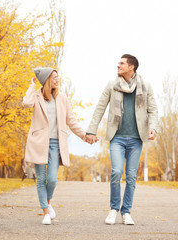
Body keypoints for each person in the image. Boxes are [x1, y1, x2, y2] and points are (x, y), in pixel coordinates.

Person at [85, 54, 158, 225]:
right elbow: (100, 108)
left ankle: (126, 212)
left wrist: (153, 127)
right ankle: (113, 209)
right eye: (119, 63)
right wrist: (91, 130)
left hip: (136, 139)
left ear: (131, 67)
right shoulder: (112, 85)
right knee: (117, 172)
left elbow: (153, 110)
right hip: (117, 137)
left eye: (122, 63)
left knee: (131, 176)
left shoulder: (146, 86)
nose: (118, 65)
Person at [23, 67, 88, 225]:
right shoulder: (37, 96)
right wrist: (32, 86)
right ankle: (45, 212)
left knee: (52, 179)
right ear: (46, 80)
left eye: (57, 77)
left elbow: (71, 121)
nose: (57, 80)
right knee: (41, 180)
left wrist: (84, 136)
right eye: (54, 78)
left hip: (55, 144)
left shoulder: (62, 98)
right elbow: (26, 103)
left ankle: (48, 203)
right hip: (39, 143)